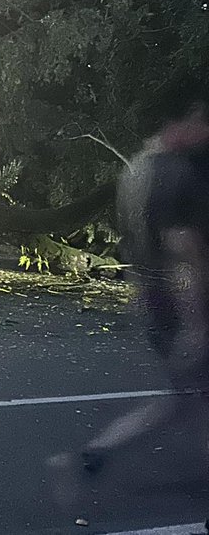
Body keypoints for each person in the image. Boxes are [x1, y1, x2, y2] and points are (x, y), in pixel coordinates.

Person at [53, 107, 209, 482]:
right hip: (180, 304)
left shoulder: (134, 171)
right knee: (192, 394)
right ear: (179, 124)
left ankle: (101, 449)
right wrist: (197, 322)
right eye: (202, 124)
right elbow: (181, 247)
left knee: (187, 396)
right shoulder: (176, 174)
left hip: (151, 299)